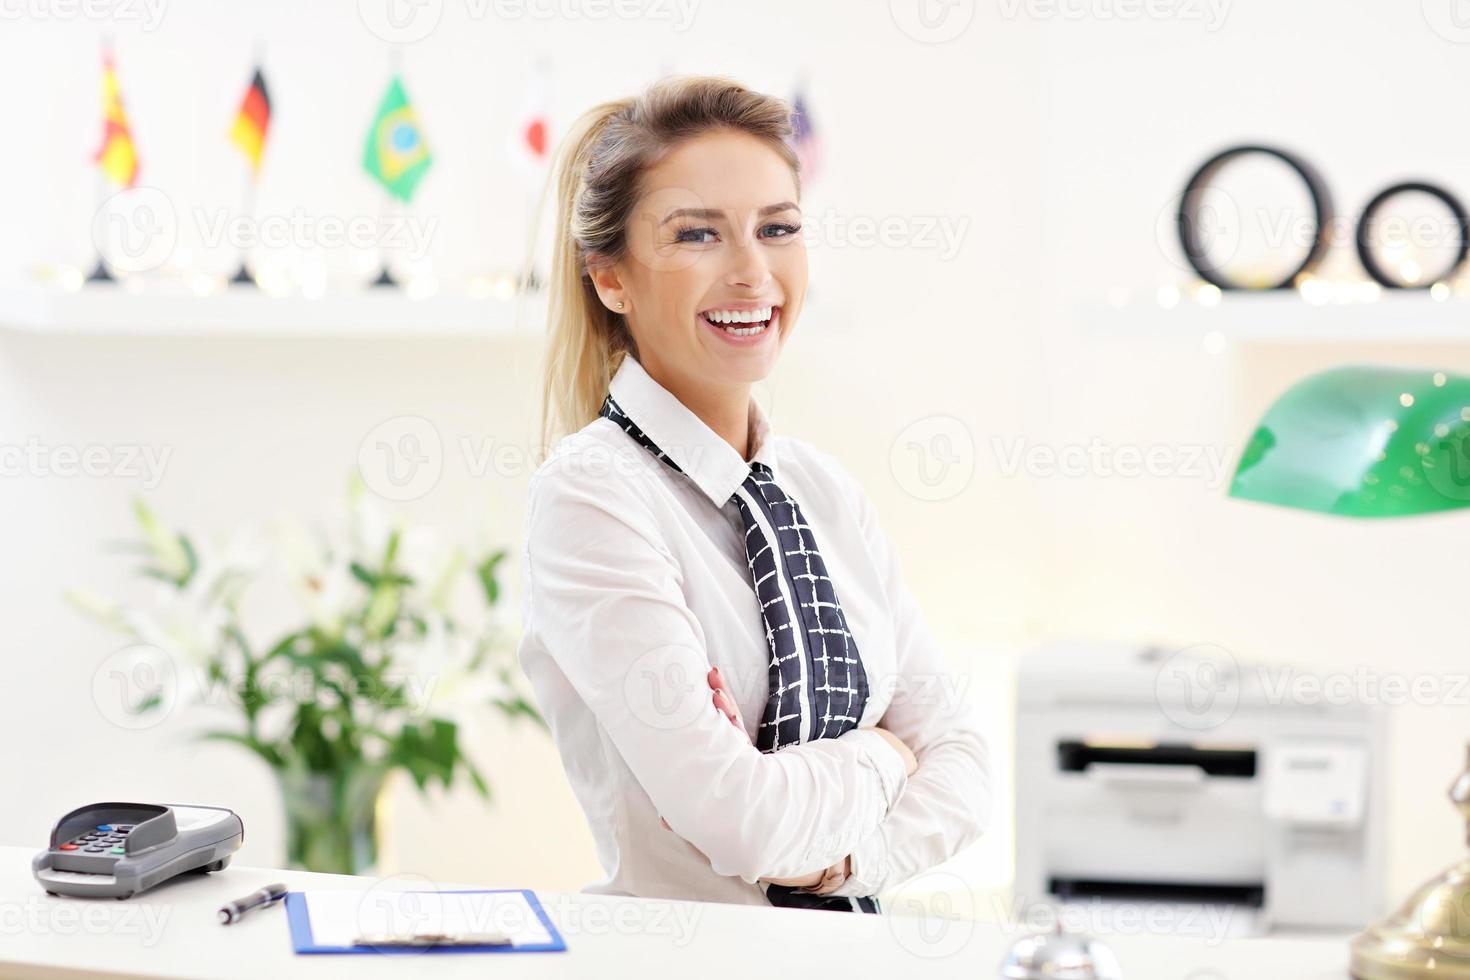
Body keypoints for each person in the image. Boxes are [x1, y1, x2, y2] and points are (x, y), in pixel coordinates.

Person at [516, 74, 991, 913]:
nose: (751, 272)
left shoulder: (822, 490)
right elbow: (743, 826)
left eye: (779, 229)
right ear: (610, 279)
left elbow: (964, 762)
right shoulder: (593, 498)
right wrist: (883, 755)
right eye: (697, 235)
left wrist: (849, 863)